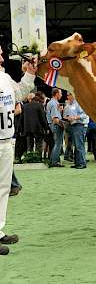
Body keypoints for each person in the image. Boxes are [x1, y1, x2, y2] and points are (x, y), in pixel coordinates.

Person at [0, 44, 36, 255]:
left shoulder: (4, 78)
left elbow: (20, 93)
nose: (3, 54)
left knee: (4, 187)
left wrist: (29, 74)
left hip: (6, 140)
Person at [63, 92, 88, 169]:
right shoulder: (68, 105)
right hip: (71, 126)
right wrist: (67, 117)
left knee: (79, 145)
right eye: (67, 95)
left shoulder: (78, 103)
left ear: (72, 95)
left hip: (78, 125)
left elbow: (85, 115)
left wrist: (75, 118)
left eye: (69, 95)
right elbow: (65, 115)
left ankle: (82, 163)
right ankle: (77, 162)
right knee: (75, 145)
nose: (67, 96)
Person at [46, 88, 64, 167]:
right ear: (56, 94)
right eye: (60, 93)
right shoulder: (54, 103)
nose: (61, 95)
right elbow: (55, 118)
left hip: (52, 125)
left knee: (56, 144)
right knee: (58, 144)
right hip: (56, 125)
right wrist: (63, 125)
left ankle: (53, 160)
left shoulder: (51, 102)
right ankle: (54, 161)